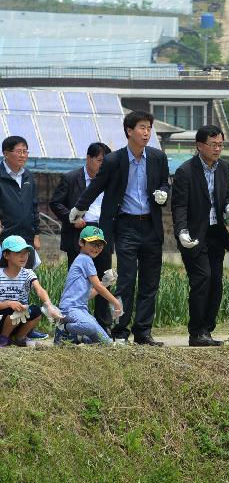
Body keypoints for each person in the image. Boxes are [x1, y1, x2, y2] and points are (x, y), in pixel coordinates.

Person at [71, 111, 170, 346]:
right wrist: (79, 208)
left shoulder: (158, 157)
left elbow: (165, 182)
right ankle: (121, 330)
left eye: (149, 128)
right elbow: (97, 186)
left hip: (151, 225)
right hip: (125, 225)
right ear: (129, 131)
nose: (146, 133)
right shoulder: (114, 160)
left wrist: (163, 193)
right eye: (142, 128)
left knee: (150, 281)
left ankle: (143, 332)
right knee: (126, 279)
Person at [171, 125, 229, 347]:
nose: (218, 149)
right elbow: (179, 206)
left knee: (216, 282)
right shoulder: (185, 171)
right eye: (213, 145)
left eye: (220, 144)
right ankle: (196, 331)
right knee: (202, 279)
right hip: (194, 235)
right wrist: (181, 231)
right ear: (200, 146)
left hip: (216, 233)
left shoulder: (224, 169)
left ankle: (207, 330)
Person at [50, 142, 113, 330]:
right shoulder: (71, 178)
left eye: (105, 162)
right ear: (89, 159)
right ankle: (72, 322)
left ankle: (103, 324)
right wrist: (72, 217)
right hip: (79, 232)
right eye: (100, 160)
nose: (102, 165)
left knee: (104, 279)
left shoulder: (110, 180)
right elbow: (55, 203)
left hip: (101, 233)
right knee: (78, 281)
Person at [54, 226, 123, 345]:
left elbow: (88, 296)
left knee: (107, 343)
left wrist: (105, 283)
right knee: (89, 326)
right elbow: (99, 288)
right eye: (92, 243)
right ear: (81, 242)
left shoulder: (85, 259)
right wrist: (116, 302)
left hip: (81, 310)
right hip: (70, 309)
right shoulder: (85, 260)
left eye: (99, 245)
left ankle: (79, 338)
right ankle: (63, 330)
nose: (96, 248)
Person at [0, 236, 60, 347]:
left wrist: (49, 305)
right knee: (15, 310)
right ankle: (3, 338)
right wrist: (8, 303)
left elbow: (40, 289)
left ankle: (19, 338)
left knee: (36, 311)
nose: (24, 256)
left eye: (26, 252)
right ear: (6, 255)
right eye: (18, 252)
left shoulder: (28, 273)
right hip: (2, 316)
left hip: (18, 316)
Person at [0, 136, 40, 266]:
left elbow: (34, 207)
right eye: (19, 151)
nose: (23, 155)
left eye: (25, 151)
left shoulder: (28, 176)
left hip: (26, 239)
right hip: (4, 239)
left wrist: (36, 234)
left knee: (25, 279)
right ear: (6, 153)